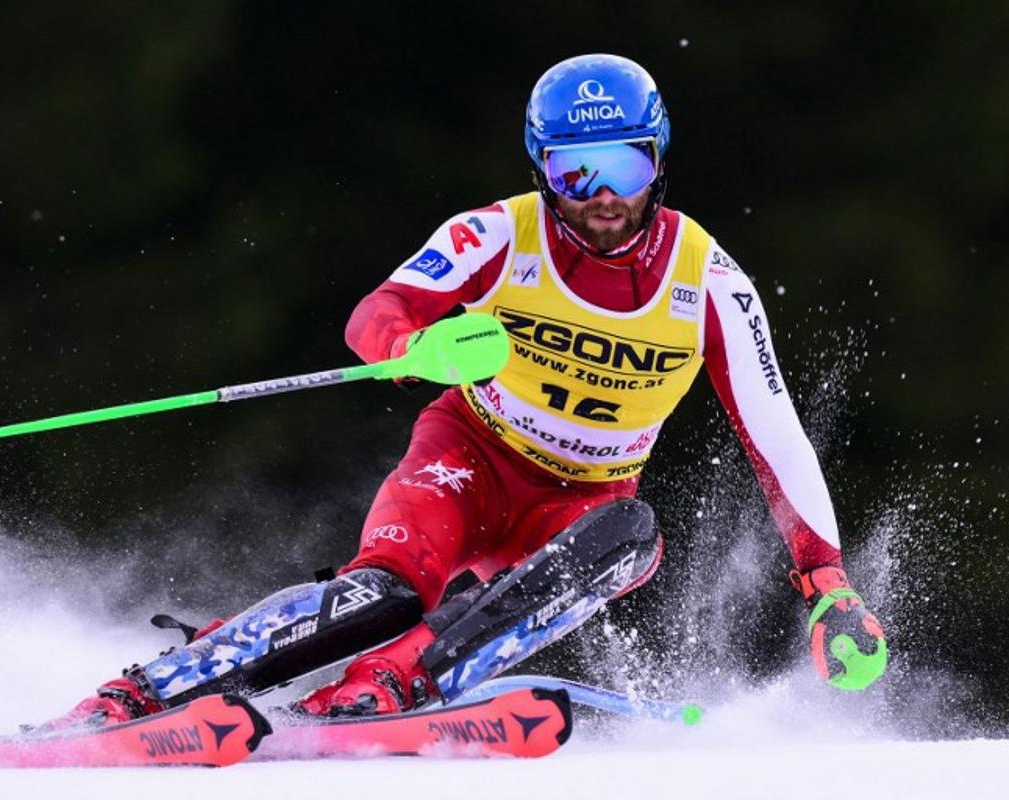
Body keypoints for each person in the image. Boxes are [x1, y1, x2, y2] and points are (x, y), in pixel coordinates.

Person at [46, 53, 887, 729]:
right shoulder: (497, 233)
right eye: (573, 171)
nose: (601, 198)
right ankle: (147, 694)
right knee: (388, 590)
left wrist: (827, 583)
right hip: (469, 459)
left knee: (633, 536)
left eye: (623, 165)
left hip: (579, 506)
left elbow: (774, 431)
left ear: (657, 161)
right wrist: (417, 347)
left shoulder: (707, 279)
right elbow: (376, 314)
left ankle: (387, 689)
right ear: (540, 167)